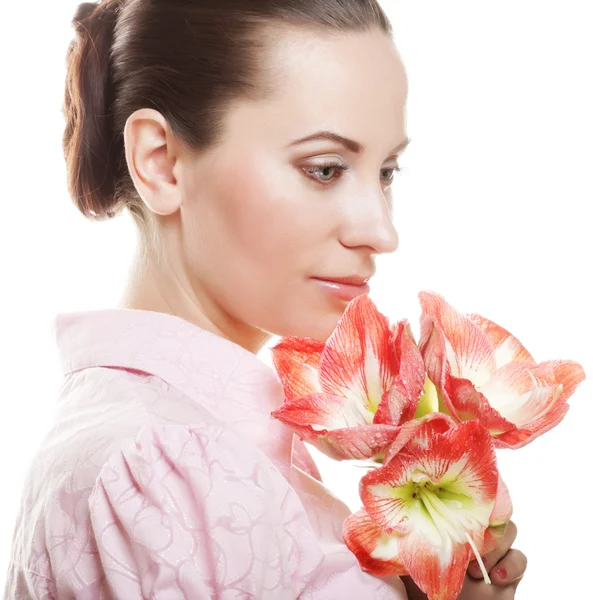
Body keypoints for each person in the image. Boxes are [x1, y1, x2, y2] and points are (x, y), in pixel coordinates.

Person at [4, 0, 527, 598]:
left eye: (386, 171)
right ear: (162, 162)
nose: (382, 233)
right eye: (325, 169)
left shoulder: (186, 438)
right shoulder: (173, 462)